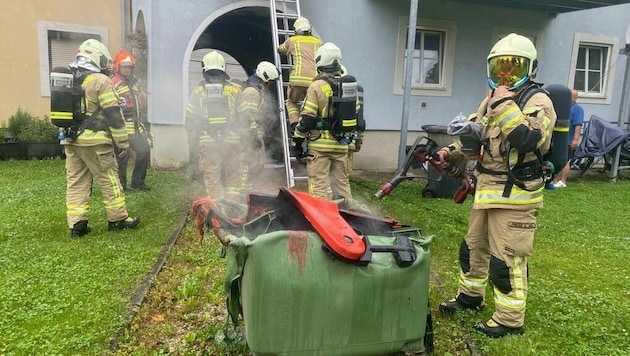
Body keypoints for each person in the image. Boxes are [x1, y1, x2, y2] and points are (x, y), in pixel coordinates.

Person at [436, 33, 556, 338]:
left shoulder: (538, 102)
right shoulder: (489, 101)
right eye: (498, 68)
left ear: (530, 69)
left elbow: (527, 139)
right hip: (486, 192)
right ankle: (470, 297)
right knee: (472, 250)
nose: (504, 76)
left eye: (513, 68)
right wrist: (448, 152)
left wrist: (502, 102)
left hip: (516, 197)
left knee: (507, 261)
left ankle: (509, 319)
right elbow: (475, 136)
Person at [62, 39, 140, 238]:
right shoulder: (100, 81)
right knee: (109, 178)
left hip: (71, 140)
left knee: (76, 182)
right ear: (97, 57)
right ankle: (118, 219)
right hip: (96, 142)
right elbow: (114, 115)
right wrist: (123, 143)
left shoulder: (68, 77)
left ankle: (77, 226)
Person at [292, 42, 359, 200]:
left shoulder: (316, 87)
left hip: (320, 147)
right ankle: (348, 218)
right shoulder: (349, 88)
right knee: (342, 184)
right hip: (342, 145)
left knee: (319, 186)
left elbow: (307, 118)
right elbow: (356, 115)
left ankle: (321, 221)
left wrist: (298, 139)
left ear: (320, 62)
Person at [185, 51, 247, 201]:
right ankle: (234, 206)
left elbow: (190, 120)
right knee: (233, 175)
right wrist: (244, 138)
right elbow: (244, 116)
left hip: (208, 141)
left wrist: (193, 143)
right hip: (232, 140)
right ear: (223, 69)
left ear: (204, 69)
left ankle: (217, 209)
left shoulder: (198, 91)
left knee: (212, 175)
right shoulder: (235, 90)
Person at [111, 50, 152, 191]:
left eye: (130, 67)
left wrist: (142, 96)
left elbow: (135, 102)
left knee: (144, 150)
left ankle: (138, 182)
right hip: (121, 126)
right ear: (118, 67)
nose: (127, 69)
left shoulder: (131, 84)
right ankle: (121, 185)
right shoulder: (114, 84)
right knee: (123, 155)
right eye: (124, 66)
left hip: (134, 125)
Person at [240, 61, 280, 193]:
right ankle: (243, 193)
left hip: (255, 134)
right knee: (248, 164)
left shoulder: (258, 91)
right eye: (271, 81)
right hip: (250, 135)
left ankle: (249, 190)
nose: (271, 84)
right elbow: (248, 116)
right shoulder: (252, 92)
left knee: (258, 163)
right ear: (265, 78)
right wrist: (253, 136)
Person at [278, 16, 323, 125]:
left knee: (291, 101)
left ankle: (294, 122)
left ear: (296, 30)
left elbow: (281, 49)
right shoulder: (317, 41)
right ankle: (308, 124)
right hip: (314, 80)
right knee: (312, 105)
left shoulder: (292, 40)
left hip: (297, 80)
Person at [553, 89, 584, 188]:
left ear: (575, 98)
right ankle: (555, 180)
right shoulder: (564, 107)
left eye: (570, 96)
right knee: (557, 159)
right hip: (560, 139)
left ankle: (563, 181)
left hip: (569, 140)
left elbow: (578, 125)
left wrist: (575, 140)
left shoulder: (577, 109)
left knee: (565, 160)